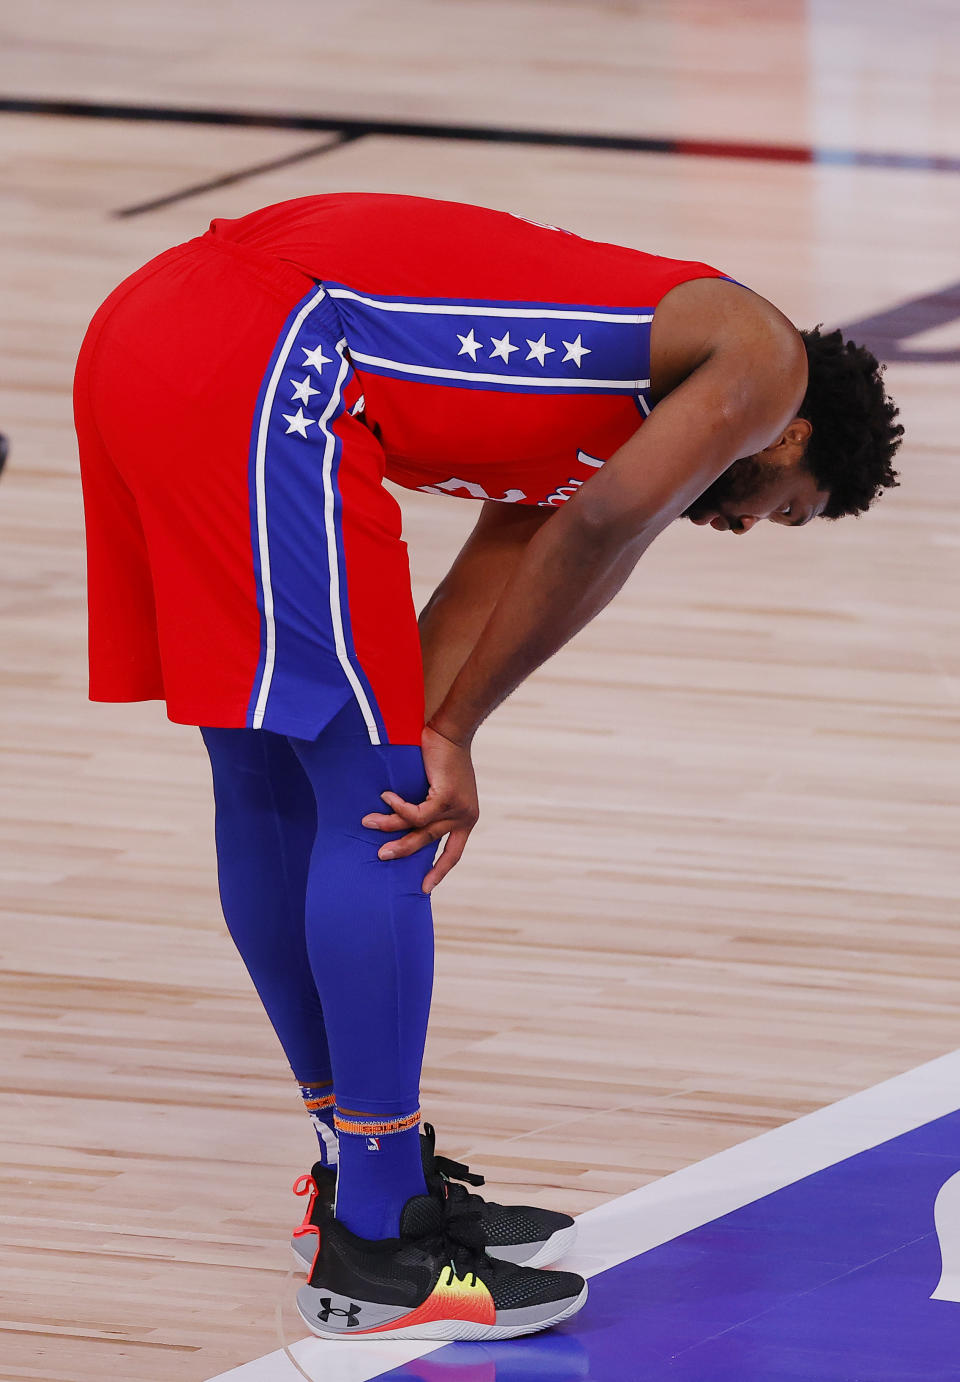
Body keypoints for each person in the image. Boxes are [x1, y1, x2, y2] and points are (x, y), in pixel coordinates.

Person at [73, 193, 902, 1341]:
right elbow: (600, 533)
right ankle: (378, 1237)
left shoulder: (597, 413)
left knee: (279, 773)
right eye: (787, 510)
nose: (749, 525)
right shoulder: (761, 363)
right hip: (274, 355)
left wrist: (430, 723)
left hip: (154, 332)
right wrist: (449, 737)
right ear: (795, 437)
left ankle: (368, 1173)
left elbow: (485, 588)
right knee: (382, 807)